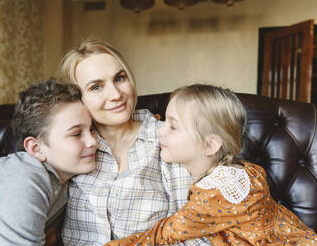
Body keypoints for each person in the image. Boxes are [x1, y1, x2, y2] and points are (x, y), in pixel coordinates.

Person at [104, 84, 317, 246]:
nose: (160, 130)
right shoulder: (244, 170)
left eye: (173, 126)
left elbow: (165, 234)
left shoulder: (215, 193)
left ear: (210, 145)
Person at [57, 39, 211, 246]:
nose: (116, 94)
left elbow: (194, 231)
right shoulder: (69, 145)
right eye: (96, 87)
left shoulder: (167, 138)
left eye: (120, 78)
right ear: (78, 98)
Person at [0, 79, 98, 245]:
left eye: (91, 129)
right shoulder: (26, 178)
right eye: (76, 134)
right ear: (35, 148)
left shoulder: (61, 180)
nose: (93, 141)